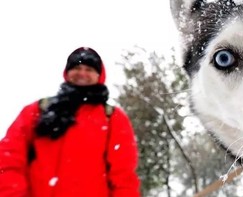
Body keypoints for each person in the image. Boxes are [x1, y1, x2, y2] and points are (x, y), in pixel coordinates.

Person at [0, 47, 140, 197]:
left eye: (89, 69)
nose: (82, 73)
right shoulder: (37, 110)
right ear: (67, 73)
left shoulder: (113, 118)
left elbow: (123, 176)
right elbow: (8, 159)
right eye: (77, 67)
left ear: (99, 75)